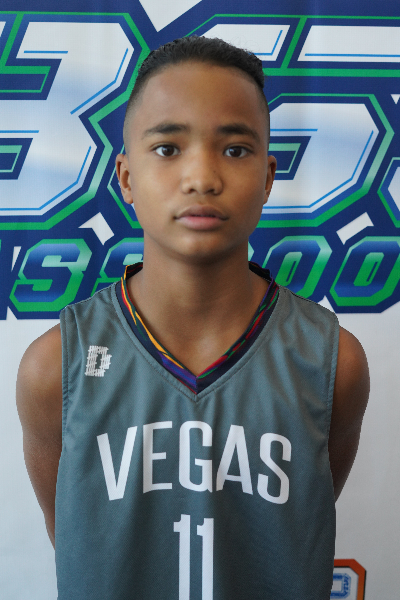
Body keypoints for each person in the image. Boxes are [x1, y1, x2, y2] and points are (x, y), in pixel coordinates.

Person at [16, 36, 369, 600]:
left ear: (269, 176)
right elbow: (77, 535)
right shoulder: (56, 366)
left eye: (235, 150)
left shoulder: (333, 361)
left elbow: (305, 517)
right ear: (126, 178)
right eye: (167, 148)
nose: (202, 177)